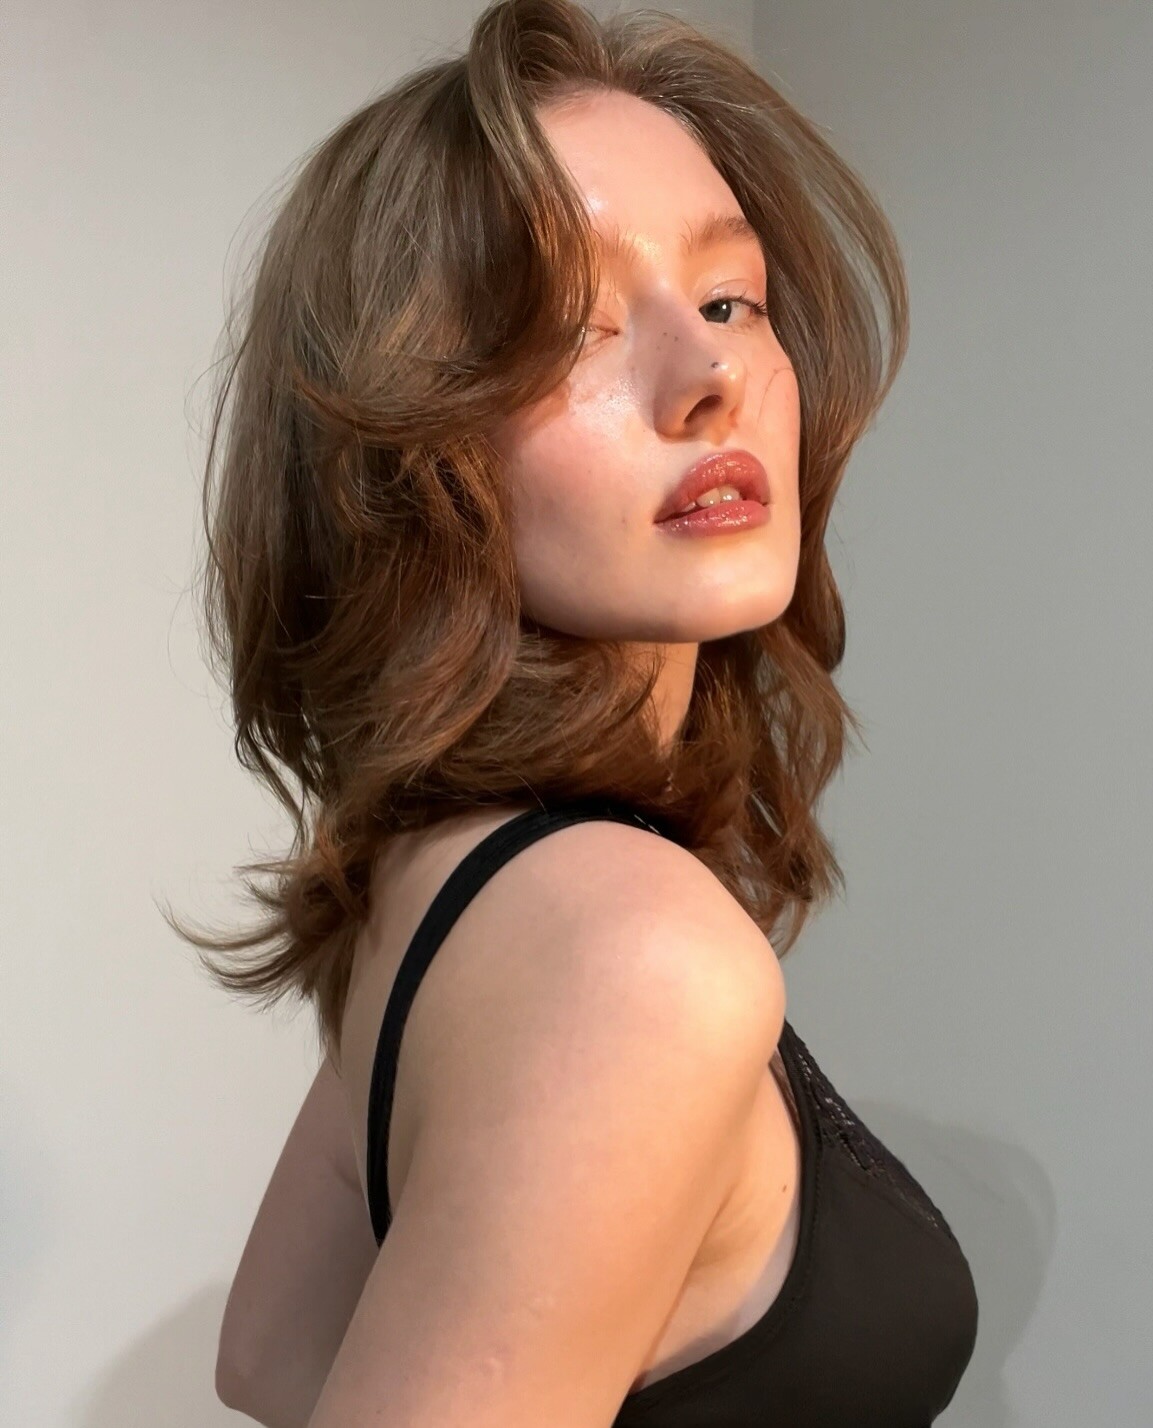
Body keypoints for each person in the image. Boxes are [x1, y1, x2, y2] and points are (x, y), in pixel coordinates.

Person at [168, 1, 979, 1423]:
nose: (709, 377)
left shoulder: (454, 881)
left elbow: (269, 1353)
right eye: (565, 332)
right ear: (402, 456)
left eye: (728, 301)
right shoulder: (632, 957)